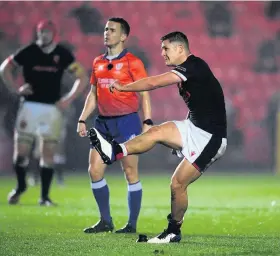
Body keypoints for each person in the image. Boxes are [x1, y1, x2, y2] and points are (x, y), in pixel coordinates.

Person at [86, 31, 227, 243]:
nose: (162, 53)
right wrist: (181, 137)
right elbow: (203, 102)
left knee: (177, 184)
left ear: (180, 49)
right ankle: (115, 151)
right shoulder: (191, 71)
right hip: (193, 127)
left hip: (211, 138)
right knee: (156, 132)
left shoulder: (194, 65)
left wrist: (124, 87)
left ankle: (173, 231)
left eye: (166, 48)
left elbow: (153, 83)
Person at [77, 17, 152, 234]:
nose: (106, 33)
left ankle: (131, 225)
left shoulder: (133, 62)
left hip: (128, 122)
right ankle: (105, 221)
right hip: (102, 124)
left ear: (123, 36)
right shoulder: (97, 62)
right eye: (105, 29)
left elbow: (144, 92)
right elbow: (93, 94)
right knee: (94, 171)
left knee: (129, 171)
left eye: (112, 30)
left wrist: (147, 121)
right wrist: (82, 118)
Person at [0, 20, 88, 206]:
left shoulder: (62, 54)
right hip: (29, 106)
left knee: (48, 153)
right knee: (21, 153)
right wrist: (15, 89)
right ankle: (21, 186)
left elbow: (82, 77)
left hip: (52, 109)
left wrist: (68, 99)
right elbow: (5, 68)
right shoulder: (29, 51)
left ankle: (44, 197)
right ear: (37, 33)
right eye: (41, 32)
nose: (44, 35)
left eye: (47, 32)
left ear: (53, 34)